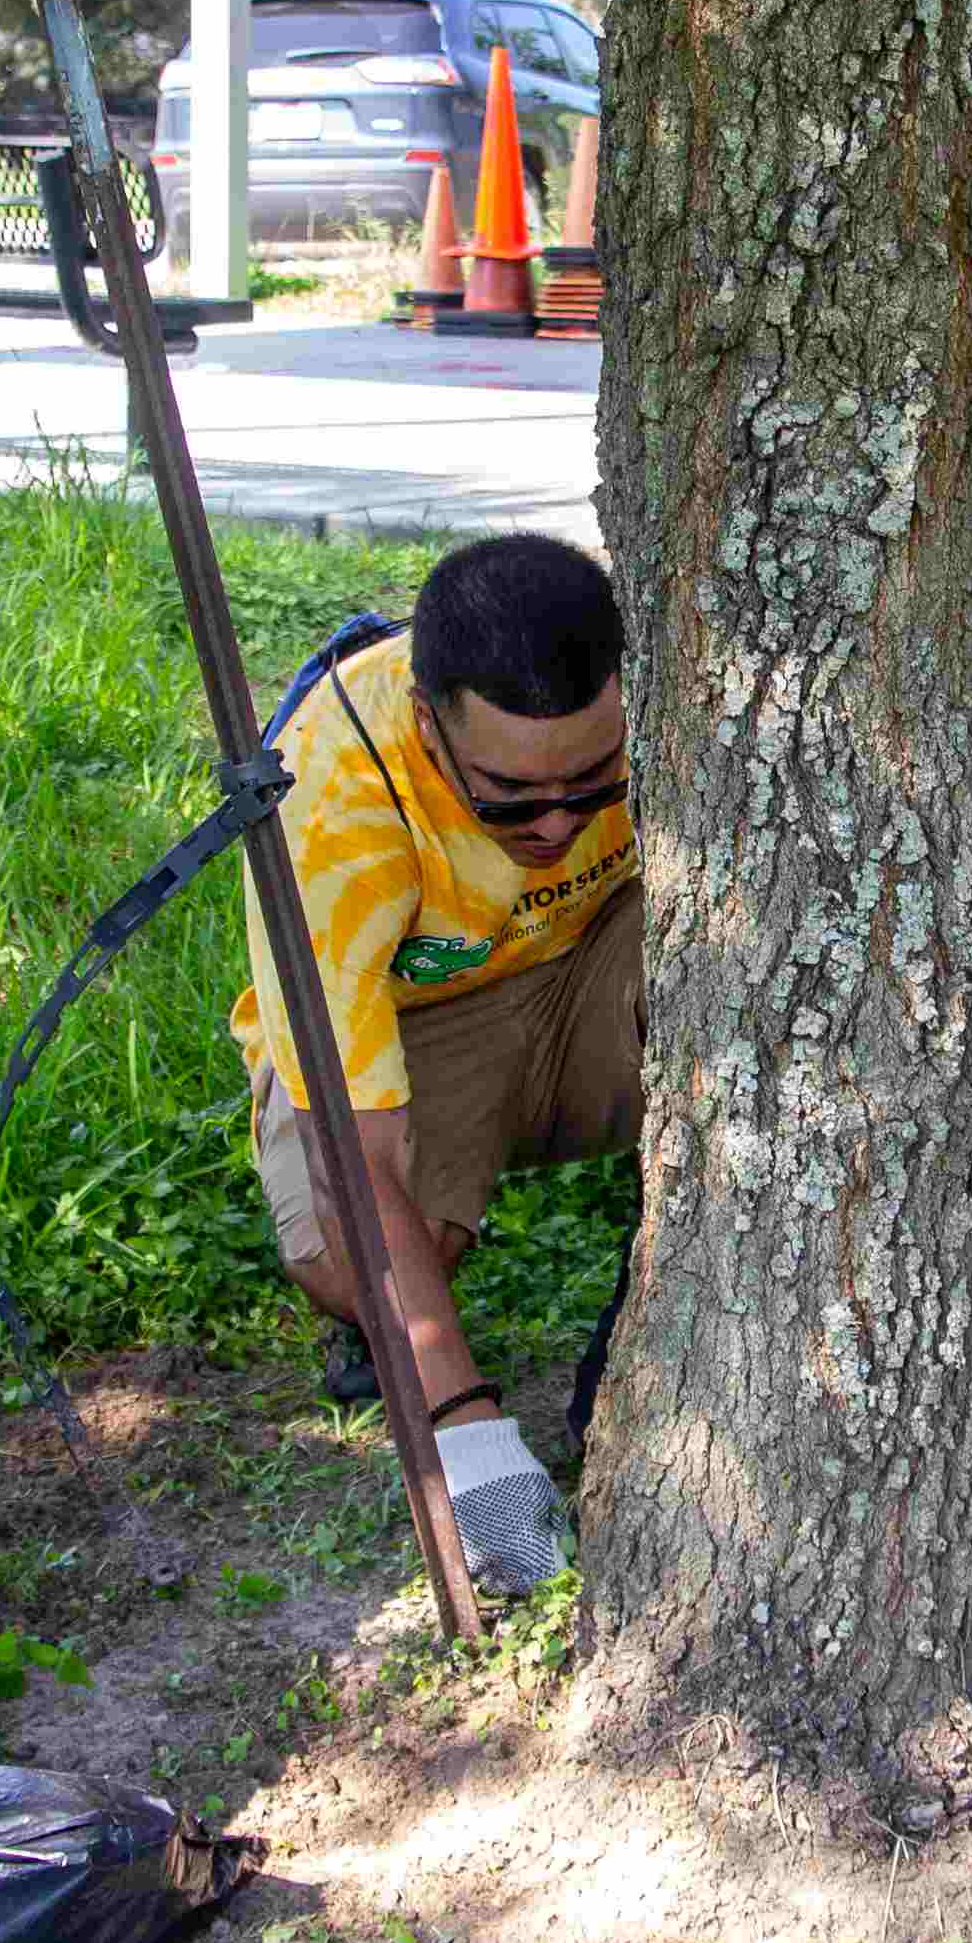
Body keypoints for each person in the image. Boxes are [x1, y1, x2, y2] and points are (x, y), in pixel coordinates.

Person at [234, 533, 639, 1602]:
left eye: (594, 784)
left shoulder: (675, 689)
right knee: (342, 1258)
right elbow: (352, 1154)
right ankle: (398, 1329)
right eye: (509, 797)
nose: (555, 822)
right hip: (427, 1014)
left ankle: (646, 1327)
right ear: (427, 726)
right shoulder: (332, 796)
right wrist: (465, 1428)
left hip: (604, 957)